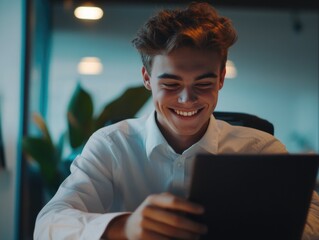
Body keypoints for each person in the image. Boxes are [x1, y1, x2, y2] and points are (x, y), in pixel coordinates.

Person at [34, 2, 319, 239]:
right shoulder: (111, 146)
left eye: (203, 83)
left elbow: (314, 219)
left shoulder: (261, 150)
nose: (187, 99)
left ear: (220, 78)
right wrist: (124, 227)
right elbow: (49, 224)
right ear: (147, 79)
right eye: (171, 84)